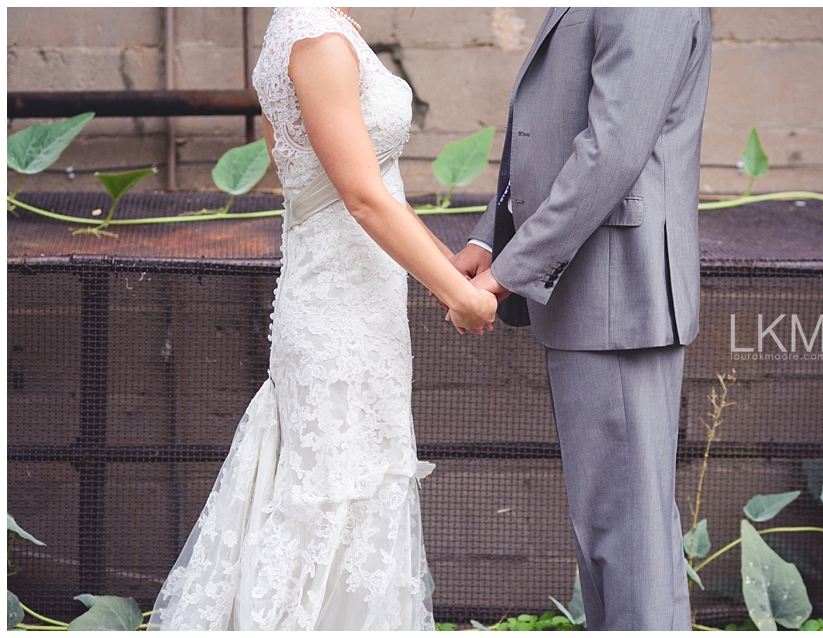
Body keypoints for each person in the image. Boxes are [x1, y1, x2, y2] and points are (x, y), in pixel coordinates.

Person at [148, 7, 496, 631]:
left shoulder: (324, 25)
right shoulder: (316, 38)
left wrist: (449, 264)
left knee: (359, 485)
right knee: (335, 487)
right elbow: (361, 199)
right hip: (337, 312)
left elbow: (351, 187)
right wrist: (458, 296)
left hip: (363, 300)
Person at [451, 8, 712, 631]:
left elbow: (611, 149)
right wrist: (492, 241)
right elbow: (549, 131)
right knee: (619, 531)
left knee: (626, 536)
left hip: (619, 289)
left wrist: (510, 270)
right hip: (599, 287)